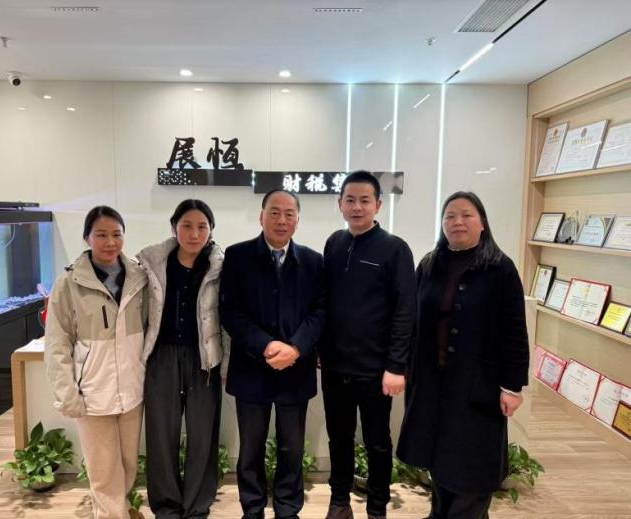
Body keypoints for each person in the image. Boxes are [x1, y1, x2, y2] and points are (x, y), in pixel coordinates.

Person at [397, 191, 529, 519]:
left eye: (467, 215)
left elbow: (515, 330)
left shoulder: (500, 269)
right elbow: (413, 322)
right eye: (450, 216)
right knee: (440, 459)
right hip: (433, 384)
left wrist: (512, 386)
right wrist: (404, 367)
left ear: (482, 222)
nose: (458, 222)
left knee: (473, 468)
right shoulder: (430, 264)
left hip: (479, 385)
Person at [219, 189, 325, 519]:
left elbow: (320, 312)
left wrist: (295, 348)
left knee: (291, 448)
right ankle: (252, 509)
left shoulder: (313, 261)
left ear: (297, 220)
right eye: (274, 212)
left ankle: (287, 510)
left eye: (289, 214)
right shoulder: (237, 256)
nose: (281, 220)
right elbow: (230, 312)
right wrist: (266, 345)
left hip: (296, 369)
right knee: (250, 448)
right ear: (261, 216)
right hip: (252, 368)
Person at [321, 170, 416, 519]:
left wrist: (396, 366)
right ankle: (339, 503)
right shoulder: (334, 243)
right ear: (340, 204)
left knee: (377, 442)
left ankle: (377, 509)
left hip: (376, 370)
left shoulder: (395, 249)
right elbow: (326, 302)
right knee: (338, 438)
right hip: (335, 367)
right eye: (350, 200)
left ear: (378, 205)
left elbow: (406, 311)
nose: (357, 207)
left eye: (364, 200)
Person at [45, 205, 148, 519]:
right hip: (92, 391)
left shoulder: (139, 278)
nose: (110, 242)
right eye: (101, 235)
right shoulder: (69, 283)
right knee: (103, 469)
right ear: (87, 238)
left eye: (117, 234)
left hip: (132, 388)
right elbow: (57, 344)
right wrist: (67, 393)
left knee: (128, 463)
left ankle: (120, 509)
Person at [137, 199, 228, 519]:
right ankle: (166, 506)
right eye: (187, 226)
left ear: (211, 230)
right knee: (162, 432)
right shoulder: (152, 263)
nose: (194, 233)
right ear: (174, 228)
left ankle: (197, 506)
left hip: (205, 359)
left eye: (202, 226)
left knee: (203, 433)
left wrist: (226, 363)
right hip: (161, 356)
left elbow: (228, 318)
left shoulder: (220, 266)